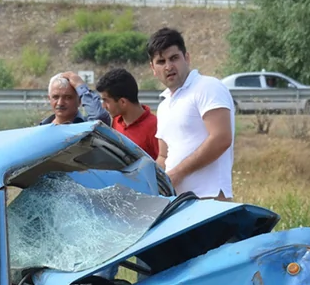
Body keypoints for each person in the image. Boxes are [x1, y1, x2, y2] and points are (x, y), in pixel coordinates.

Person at [147, 28, 236, 198]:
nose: (168, 67)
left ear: (186, 58)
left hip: (209, 198)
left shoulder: (207, 87)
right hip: (177, 203)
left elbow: (221, 138)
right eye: (161, 61)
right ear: (153, 68)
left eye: (174, 58)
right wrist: (147, 182)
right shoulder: (164, 106)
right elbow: (164, 156)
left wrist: (178, 174)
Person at [95, 68, 159, 157]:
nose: (103, 106)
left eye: (106, 101)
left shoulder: (156, 128)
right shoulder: (116, 121)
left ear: (122, 102)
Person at [40, 72, 110, 126]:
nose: (60, 103)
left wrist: (81, 87)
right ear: (49, 99)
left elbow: (99, 116)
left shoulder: (87, 127)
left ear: (79, 100)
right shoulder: (41, 128)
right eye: (55, 97)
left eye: (68, 97)